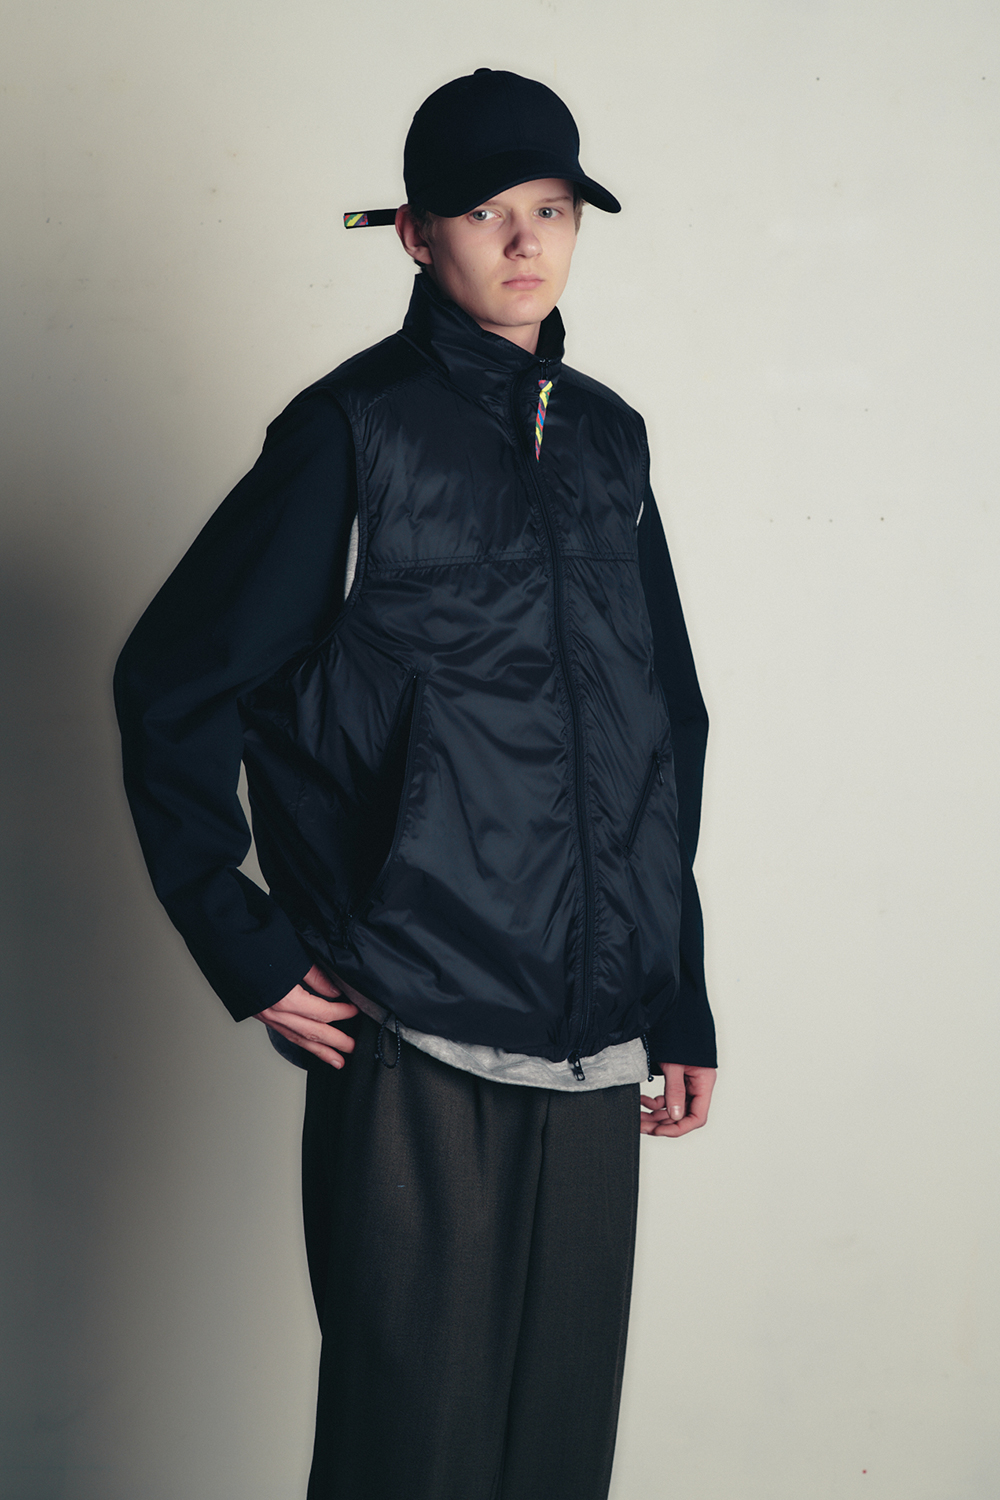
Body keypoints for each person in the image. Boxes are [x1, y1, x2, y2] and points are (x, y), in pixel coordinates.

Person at [114, 67, 717, 1500]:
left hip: (596, 1039)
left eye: (552, 209)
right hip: (413, 1024)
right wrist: (248, 946)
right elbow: (174, 684)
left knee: (553, 1462)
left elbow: (664, 725)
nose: (524, 240)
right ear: (414, 233)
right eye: (486, 210)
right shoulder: (350, 431)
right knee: (414, 1459)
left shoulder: (610, 439)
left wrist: (676, 987)